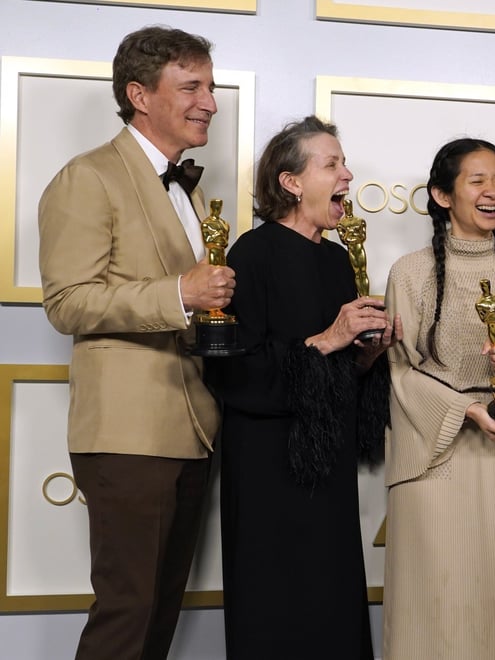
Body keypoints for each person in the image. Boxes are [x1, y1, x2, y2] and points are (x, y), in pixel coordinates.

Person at [36, 27, 231, 660]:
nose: (210, 101)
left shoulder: (190, 189)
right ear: (139, 95)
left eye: (211, 85)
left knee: (160, 613)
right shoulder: (86, 177)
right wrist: (179, 293)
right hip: (125, 433)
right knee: (127, 614)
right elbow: (68, 302)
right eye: (192, 86)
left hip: (194, 428)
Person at [204, 116, 397, 659]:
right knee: (275, 603)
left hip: (327, 462)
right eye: (332, 164)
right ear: (291, 182)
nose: (348, 174)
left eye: (344, 163)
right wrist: (331, 338)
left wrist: (368, 355)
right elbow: (234, 371)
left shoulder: (338, 259)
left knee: (331, 597)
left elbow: (336, 373)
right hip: (267, 467)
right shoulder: (251, 254)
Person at [383, 138, 495, 660]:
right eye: (477, 180)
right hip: (432, 461)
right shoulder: (409, 273)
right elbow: (398, 371)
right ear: (442, 194)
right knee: (432, 609)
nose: (493, 191)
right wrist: (464, 409)